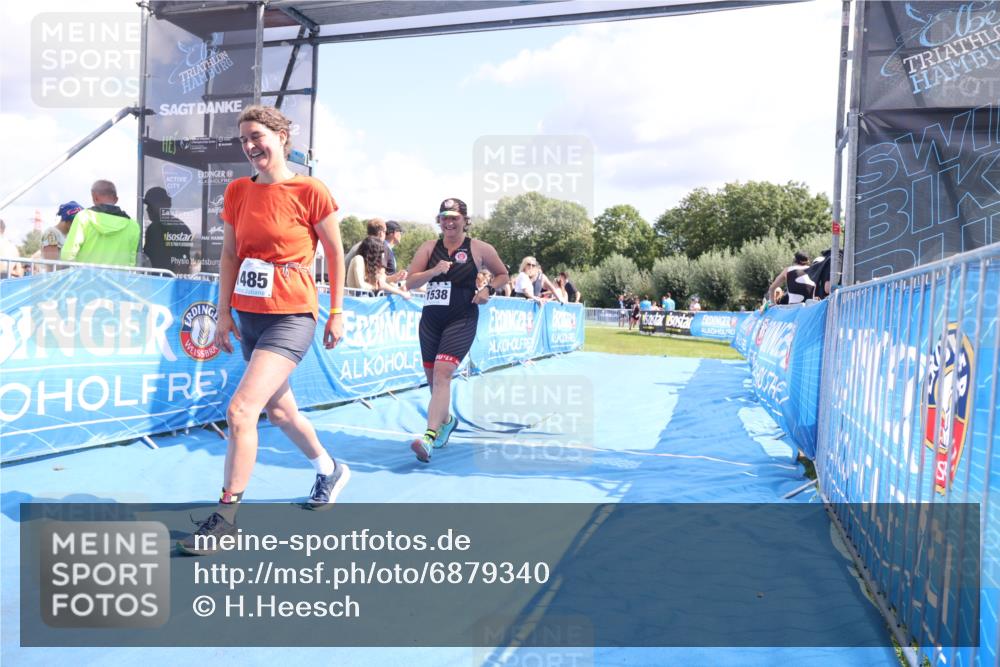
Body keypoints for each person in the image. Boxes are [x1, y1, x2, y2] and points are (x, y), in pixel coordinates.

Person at [178, 104, 348, 555]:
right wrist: (224, 313)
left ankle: (227, 516)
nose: (251, 146)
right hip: (249, 315)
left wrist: (337, 311)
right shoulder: (237, 191)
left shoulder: (311, 190)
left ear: (281, 136)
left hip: (292, 315)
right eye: (244, 140)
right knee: (279, 413)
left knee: (240, 411)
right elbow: (230, 256)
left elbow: (334, 254)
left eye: (257, 136)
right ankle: (330, 469)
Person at [404, 197, 508, 463]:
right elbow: (410, 283)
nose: (449, 223)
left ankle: (428, 437)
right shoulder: (429, 248)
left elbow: (502, 274)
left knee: (442, 373)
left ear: (464, 221)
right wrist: (434, 270)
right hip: (431, 319)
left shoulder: (479, 248)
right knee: (433, 380)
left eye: (454, 218)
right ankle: (447, 421)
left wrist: (488, 289)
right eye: (444, 217)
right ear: (439, 220)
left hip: (461, 317)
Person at [61, 180, 140, 266]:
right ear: (116, 199)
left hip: (88, 278)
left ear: (95, 197)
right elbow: (132, 262)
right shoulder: (133, 225)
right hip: (119, 278)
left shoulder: (83, 218)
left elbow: (66, 256)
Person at [142, 186, 193, 274]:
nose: (147, 209)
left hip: (158, 282)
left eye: (150, 205)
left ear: (160, 204)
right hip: (175, 281)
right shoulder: (183, 227)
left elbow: (149, 260)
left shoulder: (154, 228)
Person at [346, 236, 411, 298]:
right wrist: (377, 287)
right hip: (354, 301)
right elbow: (360, 285)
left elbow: (382, 280)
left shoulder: (370, 264)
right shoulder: (358, 259)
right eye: (379, 252)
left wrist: (396, 277)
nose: (381, 255)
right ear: (373, 251)